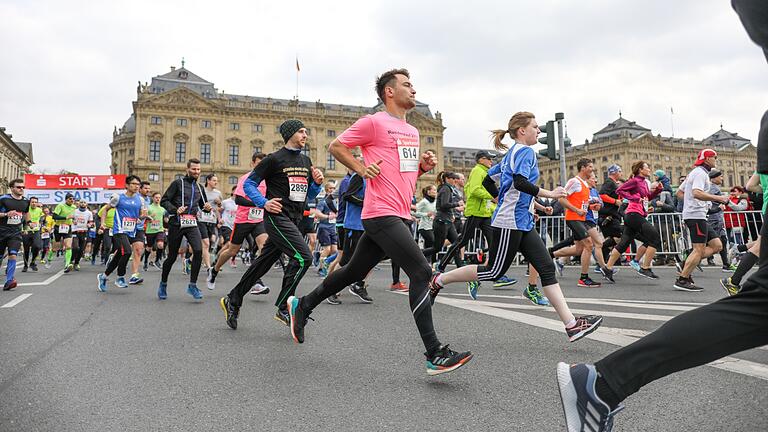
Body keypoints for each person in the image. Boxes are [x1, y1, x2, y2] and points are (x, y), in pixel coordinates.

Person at [557, 4, 768, 428]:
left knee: (759, 307)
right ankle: (606, 372)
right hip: (635, 215)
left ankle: (604, 381)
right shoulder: (680, 176)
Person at [281, 69, 473, 375]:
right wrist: (361, 167)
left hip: (398, 211)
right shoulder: (374, 122)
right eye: (407, 85)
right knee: (422, 271)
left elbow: (402, 174)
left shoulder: (412, 130)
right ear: (389, 92)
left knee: (353, 271)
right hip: (379, 212)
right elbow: (336, 146)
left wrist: (421, 168)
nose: (414, 89)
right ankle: (434, 352)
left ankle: (302, 305)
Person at [429, 111, 603, 343]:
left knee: (546, 268)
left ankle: (571, 325)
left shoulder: (512, 154)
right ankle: (438, 280)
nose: (539, 131)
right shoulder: (525, 152)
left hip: (521, 220)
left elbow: (489, 181)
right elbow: (520, 183)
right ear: (522, 131)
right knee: (493, 271)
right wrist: (548, 194)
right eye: (535, 127)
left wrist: (509, 201)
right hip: (510, 221)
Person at [220, 119, 323, 328]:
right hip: (277, 218)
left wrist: (317, 184)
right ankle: (285, 307)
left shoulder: (306, 161)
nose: (305, 135)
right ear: (290, 134)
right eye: (301, 131)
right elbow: (249, 184)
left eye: (306, 132)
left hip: (295, 219)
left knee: (261, 265)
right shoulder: (273, 160)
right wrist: (263, 203)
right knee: (304, 257)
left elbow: (307, 195)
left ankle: (233, 298)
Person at [438, 150, 517, 288]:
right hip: (475, 212)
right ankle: (441, 266)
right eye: (489, 159)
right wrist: (492, 196)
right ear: (481, 160)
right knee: (462, 240)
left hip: (485, 213)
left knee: (494, 243)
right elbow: (474, 190)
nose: (491, 161)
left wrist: (494, 205)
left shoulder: (486, 172)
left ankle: (496, 275)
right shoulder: (477, 171)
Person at [206, 152, 270, 294]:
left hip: (259, 220)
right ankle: (214, 270)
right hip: (243, 220)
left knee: (264, 248)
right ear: (253, 163)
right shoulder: (246, 178)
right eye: (259, 163)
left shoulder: (268, 180)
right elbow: (238, 200)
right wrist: (260, 203)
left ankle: (256, 281)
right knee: (232, 250)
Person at [673, 149, 730, 292]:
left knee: (717, 245)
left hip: (698, 214)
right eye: (714, 158)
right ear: (706, 159)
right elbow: (697, 192)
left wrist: (695, 203)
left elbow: (679, 193)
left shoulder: (696, 172)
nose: (716, 160)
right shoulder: (700, 173)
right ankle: (683, 279)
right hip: (695, 216)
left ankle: (685, 263)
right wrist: (718, 198)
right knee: (698, 249)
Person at [600, 161, 663, 282]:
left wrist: (657, 191)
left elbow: (646, 197)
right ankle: (645, 267)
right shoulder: (635, 180)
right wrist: (634, 198)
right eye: (647, 167)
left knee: (623, 243)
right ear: (640, 170)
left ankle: (607, 268)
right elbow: (620, 191)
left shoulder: (643, 182)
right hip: (633, 214)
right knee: (655, 238)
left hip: (636, 214)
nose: (649, 169)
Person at [159, 158, 212, 300]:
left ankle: (192, 285)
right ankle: (163, 284)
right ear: (187, 170)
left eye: (199, 169)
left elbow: (203, 206)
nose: (196, 172)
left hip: (192, 222)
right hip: (176, 223)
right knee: (171, 256)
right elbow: (164, 200)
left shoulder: (200, 187)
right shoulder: (177, 184)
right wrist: (175, 209)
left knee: (198, 250)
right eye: (194, 169)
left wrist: (207, 208)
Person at [551, 158, 601, 287]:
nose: (592, 169)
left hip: (581, 218)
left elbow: (580, 203)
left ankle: (549, 254)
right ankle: (583, 278)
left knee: (579, 250)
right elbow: (561, 199)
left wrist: (590, 207)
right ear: (583, 168)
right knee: (589, 245)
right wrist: (576, 210)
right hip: (573, 218)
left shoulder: (584, 184)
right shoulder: (574, 181)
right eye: (590, 166)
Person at [97, 176, 147, 291]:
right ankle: (120, 277)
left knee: (120, 254)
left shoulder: (141, 200)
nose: (136, 186)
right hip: (119, 230)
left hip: (131, 230)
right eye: (133, 184)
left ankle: (103, 276)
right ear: (127, 185)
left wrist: (143, 217)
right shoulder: (118, 197)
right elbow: (105, 209)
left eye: (138, 184)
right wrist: (103, 223)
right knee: (128, 251)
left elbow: (140, 215)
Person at [420, 171, 464, 268]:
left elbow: (444, 206)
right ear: (447, 179)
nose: (455, 181)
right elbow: (444, 205)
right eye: (453, 179)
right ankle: (416, 255)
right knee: (437, 248)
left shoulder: (447, 188)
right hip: (442, 222)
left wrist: (451, 213)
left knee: (456, 244)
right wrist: (457, 204)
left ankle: (459, 266)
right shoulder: (445, 189)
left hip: (447, 221)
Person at [0, 179, 30, 291]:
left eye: (23, 187)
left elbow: (26, 214)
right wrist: (6, 214)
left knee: (13, 254)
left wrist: (28, 225)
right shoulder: (3, 199)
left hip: (15, 232)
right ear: (12, 188)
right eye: (18, 187)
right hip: (1, 232)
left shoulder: (26, 201)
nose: (21, 189)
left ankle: (9, 280)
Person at [126, 181, 152, 284]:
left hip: (139, 228)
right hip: (127, 227)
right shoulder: (133, 197)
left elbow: (143, 213)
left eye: (148, 188)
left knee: (138, 250)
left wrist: (146, 217)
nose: (148, 190)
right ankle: (112, 258)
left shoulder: (148, 200)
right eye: (145, 188)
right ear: (140, 189)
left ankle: (134, 275)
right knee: (123, 251)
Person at [315, 182, 339, 277]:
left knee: (335, 251)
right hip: (324, 228)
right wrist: (327, 217)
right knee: (327, 250)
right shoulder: (323, 201)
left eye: (333, 188)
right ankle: (321, 269)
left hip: (333, 228)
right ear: (326, 189)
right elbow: (317, 214)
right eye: (330, 188)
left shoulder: (335, 201)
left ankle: (319, 255)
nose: (332, 190)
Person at [199, 174, 222, 270]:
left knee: (209, 242)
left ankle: (190, 260)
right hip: (201, 219)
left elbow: (219, 208)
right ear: (208, 181)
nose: (216, 182)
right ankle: (209, 267)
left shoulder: (218, 193)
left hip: (212, 220)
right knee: (206, 243)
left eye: (216, 181)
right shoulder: (201, 191)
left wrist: (219, 203)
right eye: (214, 180)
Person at [52, 193, 77, 272]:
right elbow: (54, 216)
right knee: (56, 247)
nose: (72, 200)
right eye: (70, 199)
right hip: (58, 227)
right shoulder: (60, 206)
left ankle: (67, 264)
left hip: (67, 228)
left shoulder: (74, 207)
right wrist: (66, 217)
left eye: (73, 199)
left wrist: (74, 220)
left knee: (68, 246)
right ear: (66, 199)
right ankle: (49, 259)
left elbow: (73, 217)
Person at [143, 192, 167, 270]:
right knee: (149, 248)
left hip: (160, 229)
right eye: (156, 197)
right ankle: (146, 261)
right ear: (153, 198)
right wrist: (149, 217)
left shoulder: (163, 209)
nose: (158, 199)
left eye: (159, 198)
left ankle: (157, 260)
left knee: (160, 245)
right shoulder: (149, 207)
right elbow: (144, 217)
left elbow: (166, 219)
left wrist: (167, 221)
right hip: (150, 230)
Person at [21, 197, 44, 272]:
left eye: (35, 202)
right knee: (26, 249)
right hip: (26, 231)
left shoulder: (40, 210)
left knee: (37, 246)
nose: (34, 203)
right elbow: (22, 220)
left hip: (36, 231)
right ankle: (25, 265)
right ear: (29, 203)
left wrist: (42, 225)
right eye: (32, 202)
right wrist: (23, 229)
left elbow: (42, 219)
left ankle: (33, 262)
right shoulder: (25, 210)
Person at [70, 199, 93, 271]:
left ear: (87, 204)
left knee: (81, 249)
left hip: (84, 232)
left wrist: (90, 225)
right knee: (75, 247)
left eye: (84, 202)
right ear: (79, 204)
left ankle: (76, 263)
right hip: (75, 231)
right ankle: (71, 261)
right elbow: (70, 218)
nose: (83, 204)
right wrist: (73, 221)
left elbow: (91, 222)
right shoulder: (74, 211)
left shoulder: (89, 213)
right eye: (81, 202)